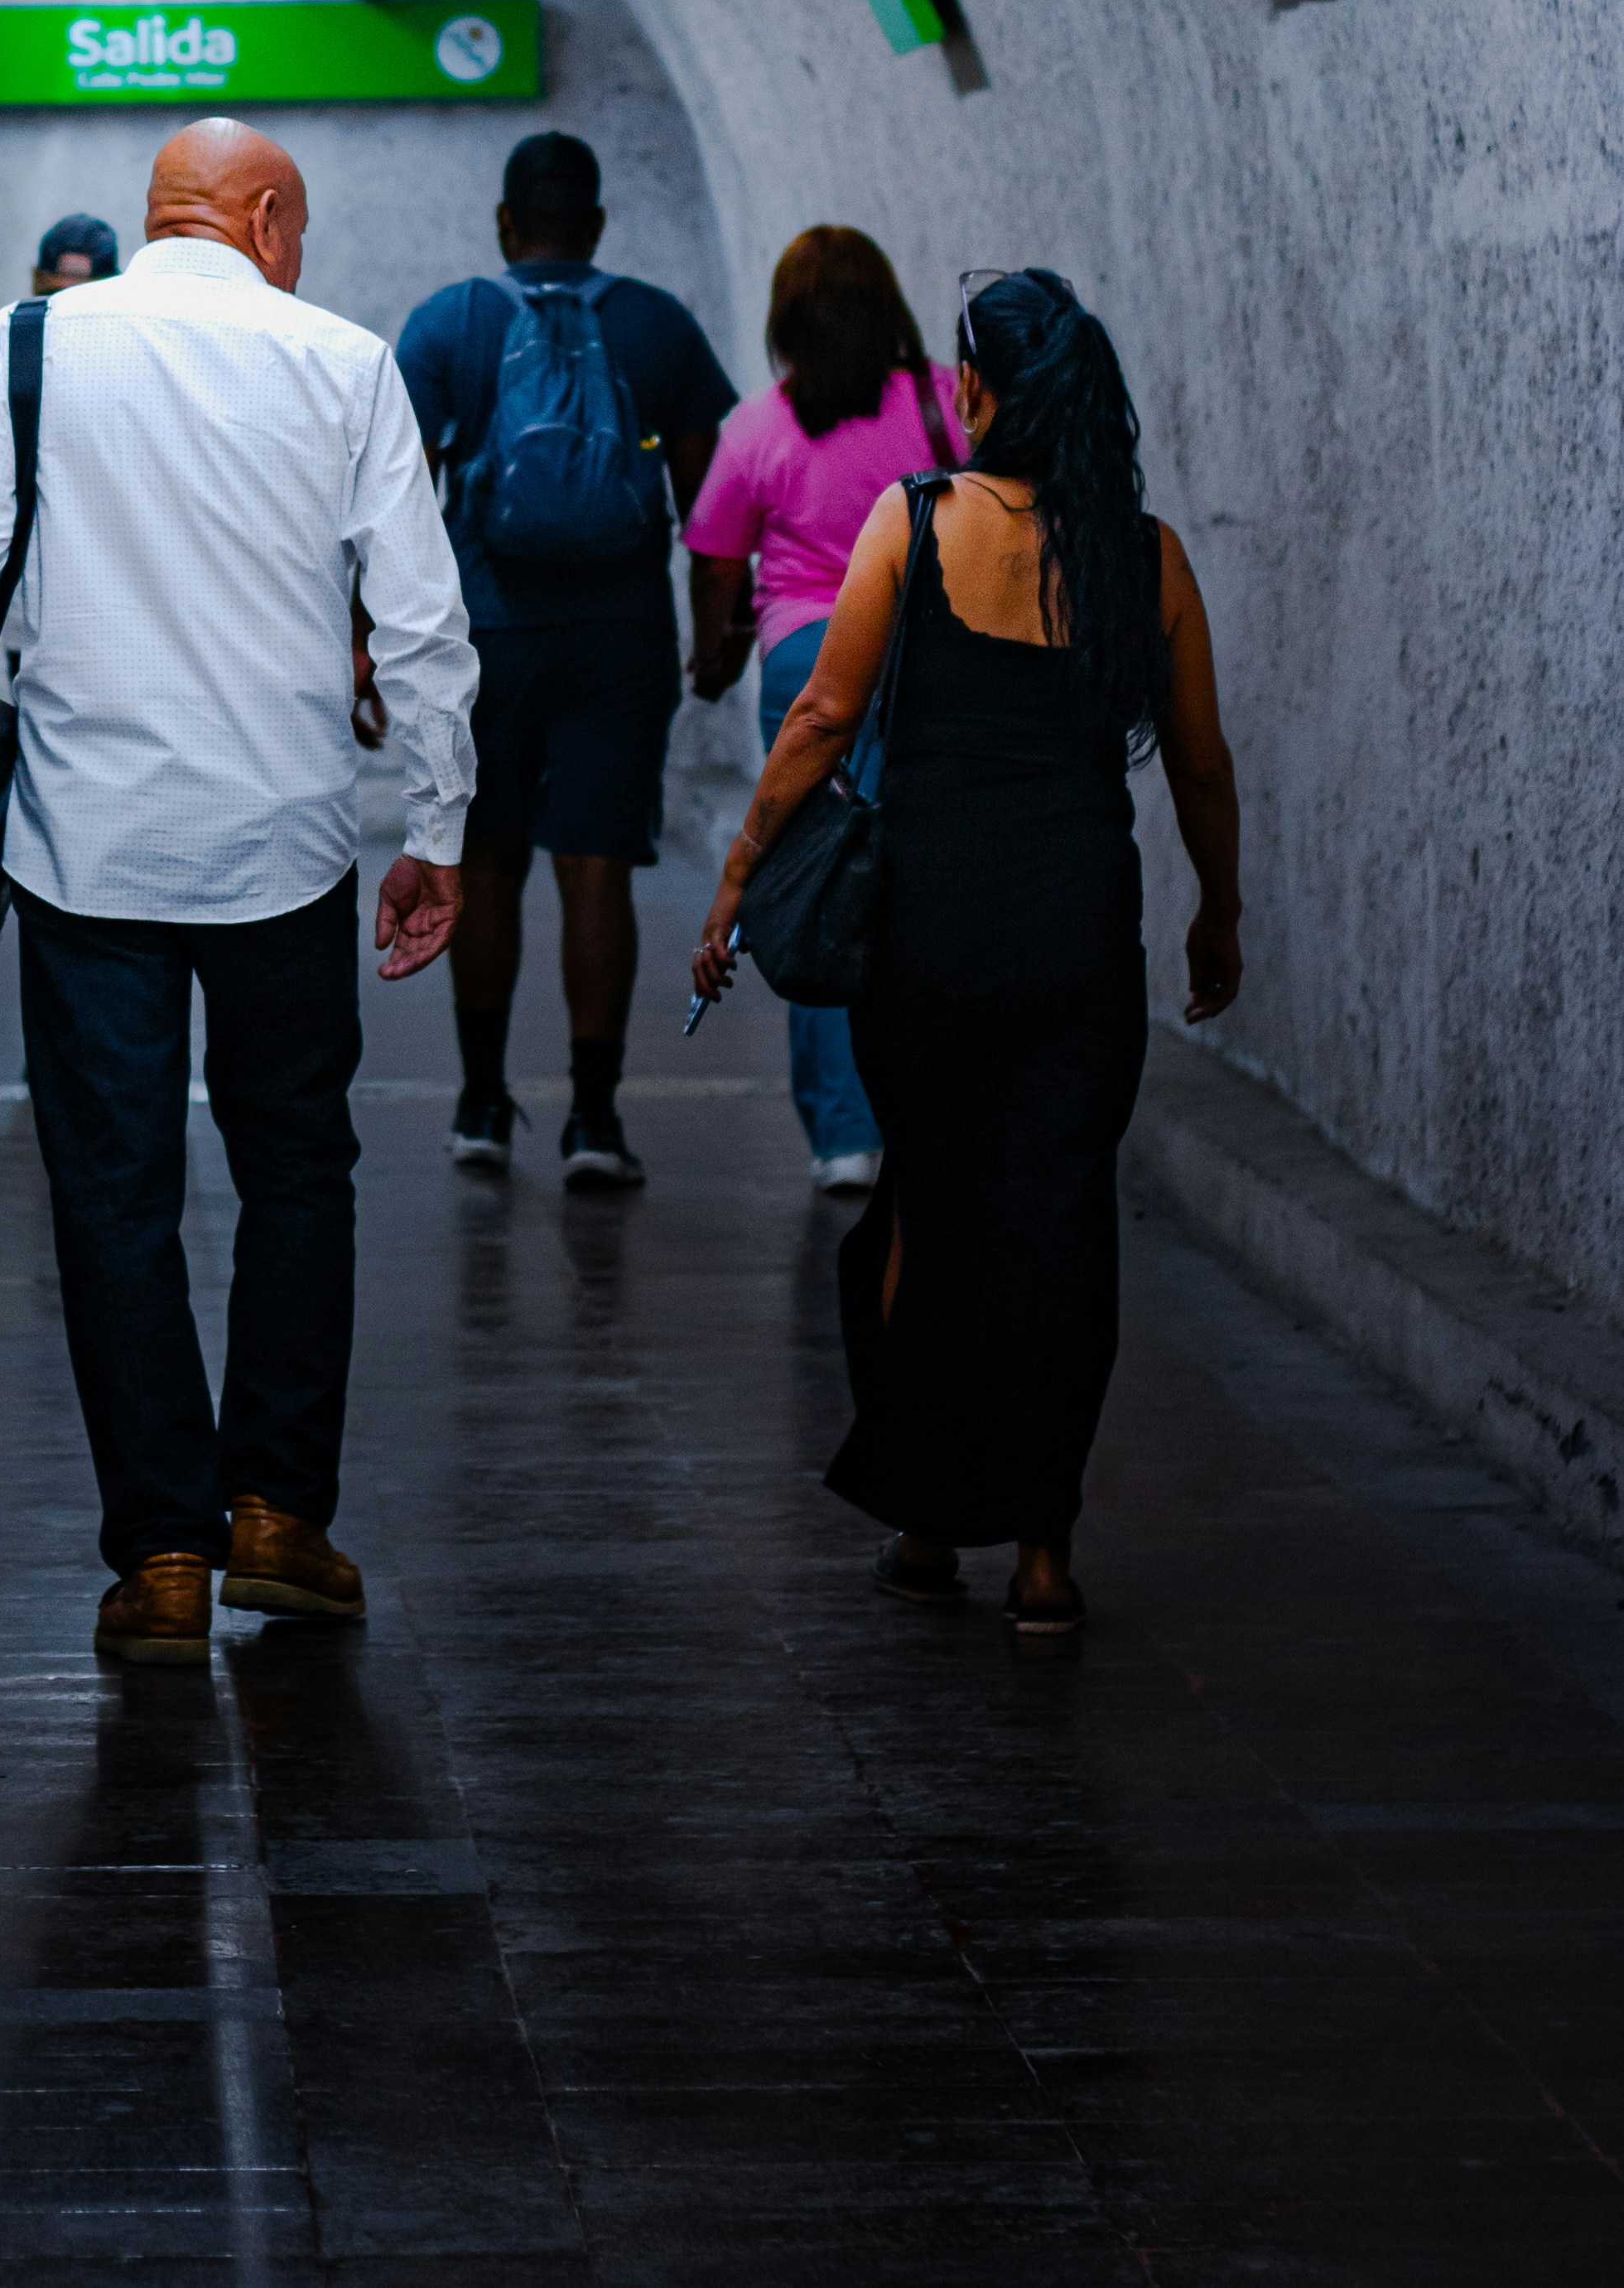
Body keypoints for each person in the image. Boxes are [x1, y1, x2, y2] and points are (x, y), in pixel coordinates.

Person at [0, 118, 476, 1663]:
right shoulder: (344, 360)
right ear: (270, 215)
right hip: (286, 843)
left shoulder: (32, 340)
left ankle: (160, 1552)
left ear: (164, 214)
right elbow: (422, 622)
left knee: (113, 1189)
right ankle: (282, 1519)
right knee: (300, 1172)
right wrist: (438, 826)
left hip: (86, 845)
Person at [690, 268, 1242, 1640]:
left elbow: (821, 716)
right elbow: (1203, 764)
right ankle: (1044, 1553)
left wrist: (740, 874)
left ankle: (931, 1522)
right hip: (1078, 935)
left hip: (931, 935)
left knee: (933, 1211)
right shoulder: (1145, 553)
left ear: (976, 391)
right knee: (1058, 1220)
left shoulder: (917, 519)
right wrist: (1217, 910)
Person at [395, 129, 735, 1188]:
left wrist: (377, 646)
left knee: (486, 863)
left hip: (484, 636)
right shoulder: (653, 321)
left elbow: (392, 499)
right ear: (594, 225)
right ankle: (593, 1119)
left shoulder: (452, 319)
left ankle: (481, 1105)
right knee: (598, 873)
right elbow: (707, 505)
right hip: (620, 636)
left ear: (505, 222)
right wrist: (714, 632)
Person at [682, 228, 963, 1194]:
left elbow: (716, 557)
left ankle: (844, 1134)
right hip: (929, 659)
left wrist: (711, 651)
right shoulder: (943, 403)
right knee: (926, 887)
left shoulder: (760, 425)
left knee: (811, 888)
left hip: (806, 661)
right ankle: (932, 1110)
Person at [0, 213, 121, 702]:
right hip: (17, 615)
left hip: (111, 621)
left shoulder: (132, 363)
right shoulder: (14, 357)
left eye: (84, 294)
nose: (66, 308)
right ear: (38, 283)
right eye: (55, 292)